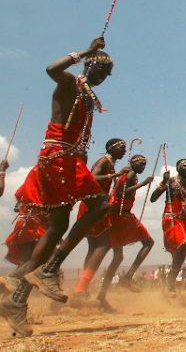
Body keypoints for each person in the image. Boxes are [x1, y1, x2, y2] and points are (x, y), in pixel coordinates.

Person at [2, 38, 113, 337]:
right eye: (99, 68)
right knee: (100, 206)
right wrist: (85, 52)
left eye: (107, 73)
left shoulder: (86, 94)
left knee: (57, 228)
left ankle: (16, 297)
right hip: (58, 157)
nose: (103, 76)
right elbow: (51, 68)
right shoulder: (69, 85)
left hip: (67, 158)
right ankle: (48, 269)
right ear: (89, 65)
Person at [89, 153, 154, 308]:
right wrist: (144, 183)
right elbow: (120, 193)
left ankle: (101, 296)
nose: (143, 167)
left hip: (116, 213)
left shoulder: (128, 174)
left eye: (145, 165)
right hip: (121, 214)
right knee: (148, 242)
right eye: (140, 164)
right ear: (132, 163)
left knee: (118, 257)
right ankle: (128, 277)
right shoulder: (130, 174)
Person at [70, 138, 128, 311]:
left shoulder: (110, 164)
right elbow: (92, 177)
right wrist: (115, 176)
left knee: (95, 246)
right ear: (111, 148)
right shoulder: (104, 162)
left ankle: (82, 291)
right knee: (103, 244)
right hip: (93, 206)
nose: (124, 151)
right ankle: (80, 291)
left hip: (96, 206)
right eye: (121, 147)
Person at [151, 158, 186, 296]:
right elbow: (153, 198)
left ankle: (170, 285)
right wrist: (164, 182)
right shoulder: (172, 181)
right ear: (178, 168)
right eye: (185, 166)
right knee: (182, 245)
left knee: (182, 254)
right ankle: (170, 282)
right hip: (171, 218)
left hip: (183, 221)